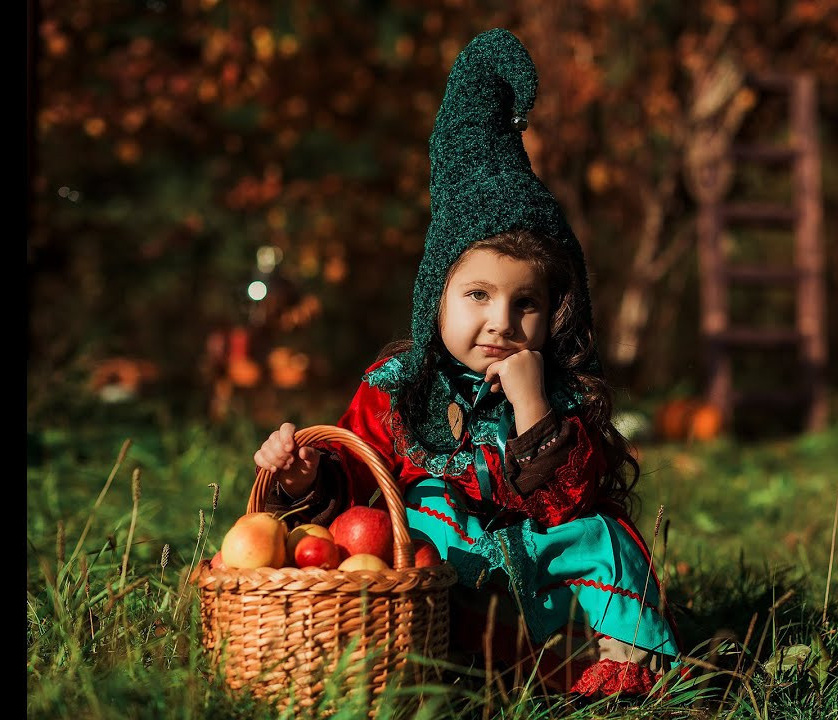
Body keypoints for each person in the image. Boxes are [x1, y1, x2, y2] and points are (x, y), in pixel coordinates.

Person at [254, 28, 681, 697]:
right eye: (477, 295)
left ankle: (604, 671)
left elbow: (575, 503)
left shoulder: (563, 390)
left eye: (525, 303)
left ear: (558, 310)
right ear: (438, 298)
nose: (501, 322)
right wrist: (305, 477)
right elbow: (357, 482)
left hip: (539, 576)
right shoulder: (399, 387)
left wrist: (534, 406)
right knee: (425, 507)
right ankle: (448, 666)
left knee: (606, 537)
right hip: (442, 578)